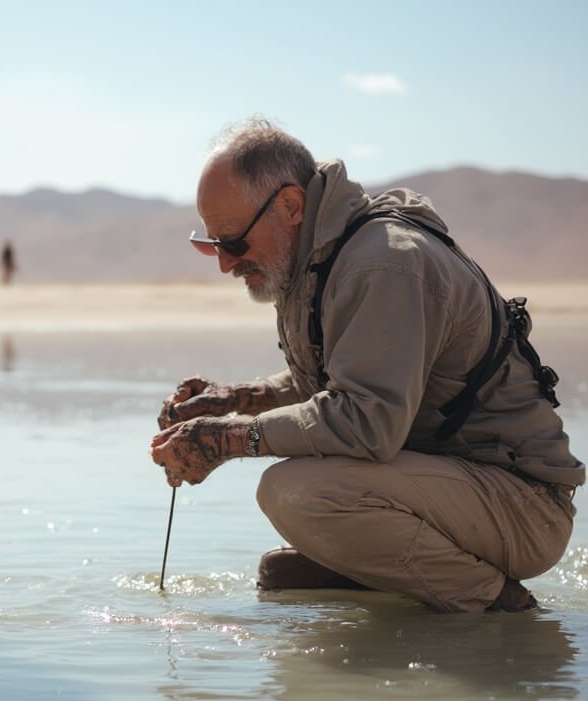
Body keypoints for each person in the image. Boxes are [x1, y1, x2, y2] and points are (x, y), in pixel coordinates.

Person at [150, 119, 583, 613]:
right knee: (282, 570)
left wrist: (228, 438)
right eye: (210, 245)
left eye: (232, 243)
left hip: (524, 507)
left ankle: (495, 606)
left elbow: (366, 421)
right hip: (458, 485)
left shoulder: (383, 263)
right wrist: (238, 399)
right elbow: (351, 371)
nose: (224, 264)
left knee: (296, 492)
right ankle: (407, 573)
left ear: (291, 207)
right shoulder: (317, 258)